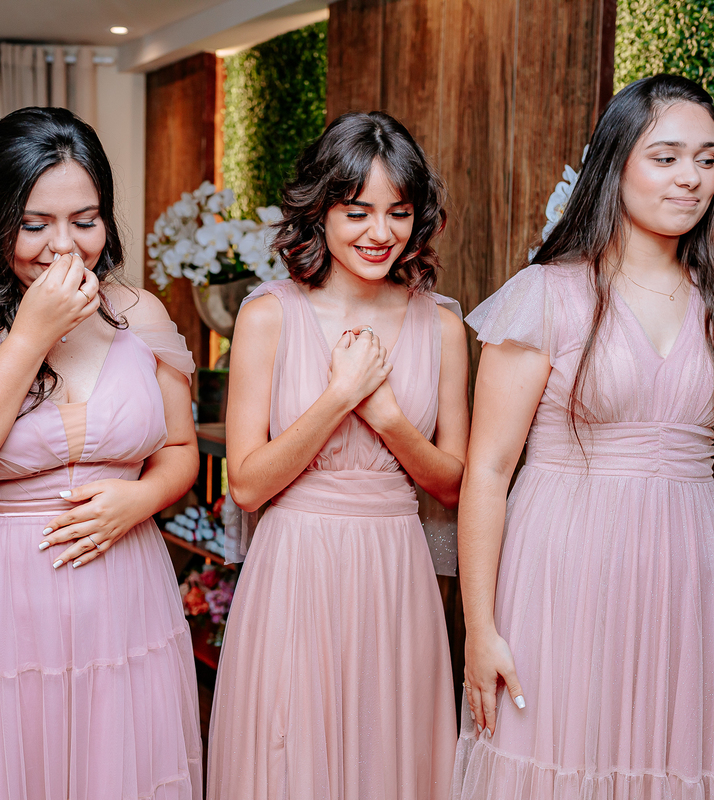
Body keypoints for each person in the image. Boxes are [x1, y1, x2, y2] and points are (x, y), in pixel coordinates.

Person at [451, 74, 714, 799]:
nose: (691, 178)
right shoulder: (547, 295)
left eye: (707, 159)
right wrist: (480, 626)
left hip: (687, 572)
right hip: (561, 570)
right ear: (615, 163)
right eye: (666, 157)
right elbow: (488, 469)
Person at [0, 107, 202, 800]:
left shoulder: (139, 313)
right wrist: (29, 337)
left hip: (124, 597)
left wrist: (140, 499)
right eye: (34, 224)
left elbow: (179, 448)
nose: (64, 247)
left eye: (85, 220)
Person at [208, 111, 468, 800]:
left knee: (388, 756)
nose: (381, 233)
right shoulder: (268, 316)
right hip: (295, 566)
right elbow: (247, 486)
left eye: (399, 213)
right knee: (291, 756)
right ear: (319, 211)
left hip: (396, 569)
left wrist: (387, 418)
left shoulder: (442, 326)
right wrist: (340, 395)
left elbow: (453, 484)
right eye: (357, 212)